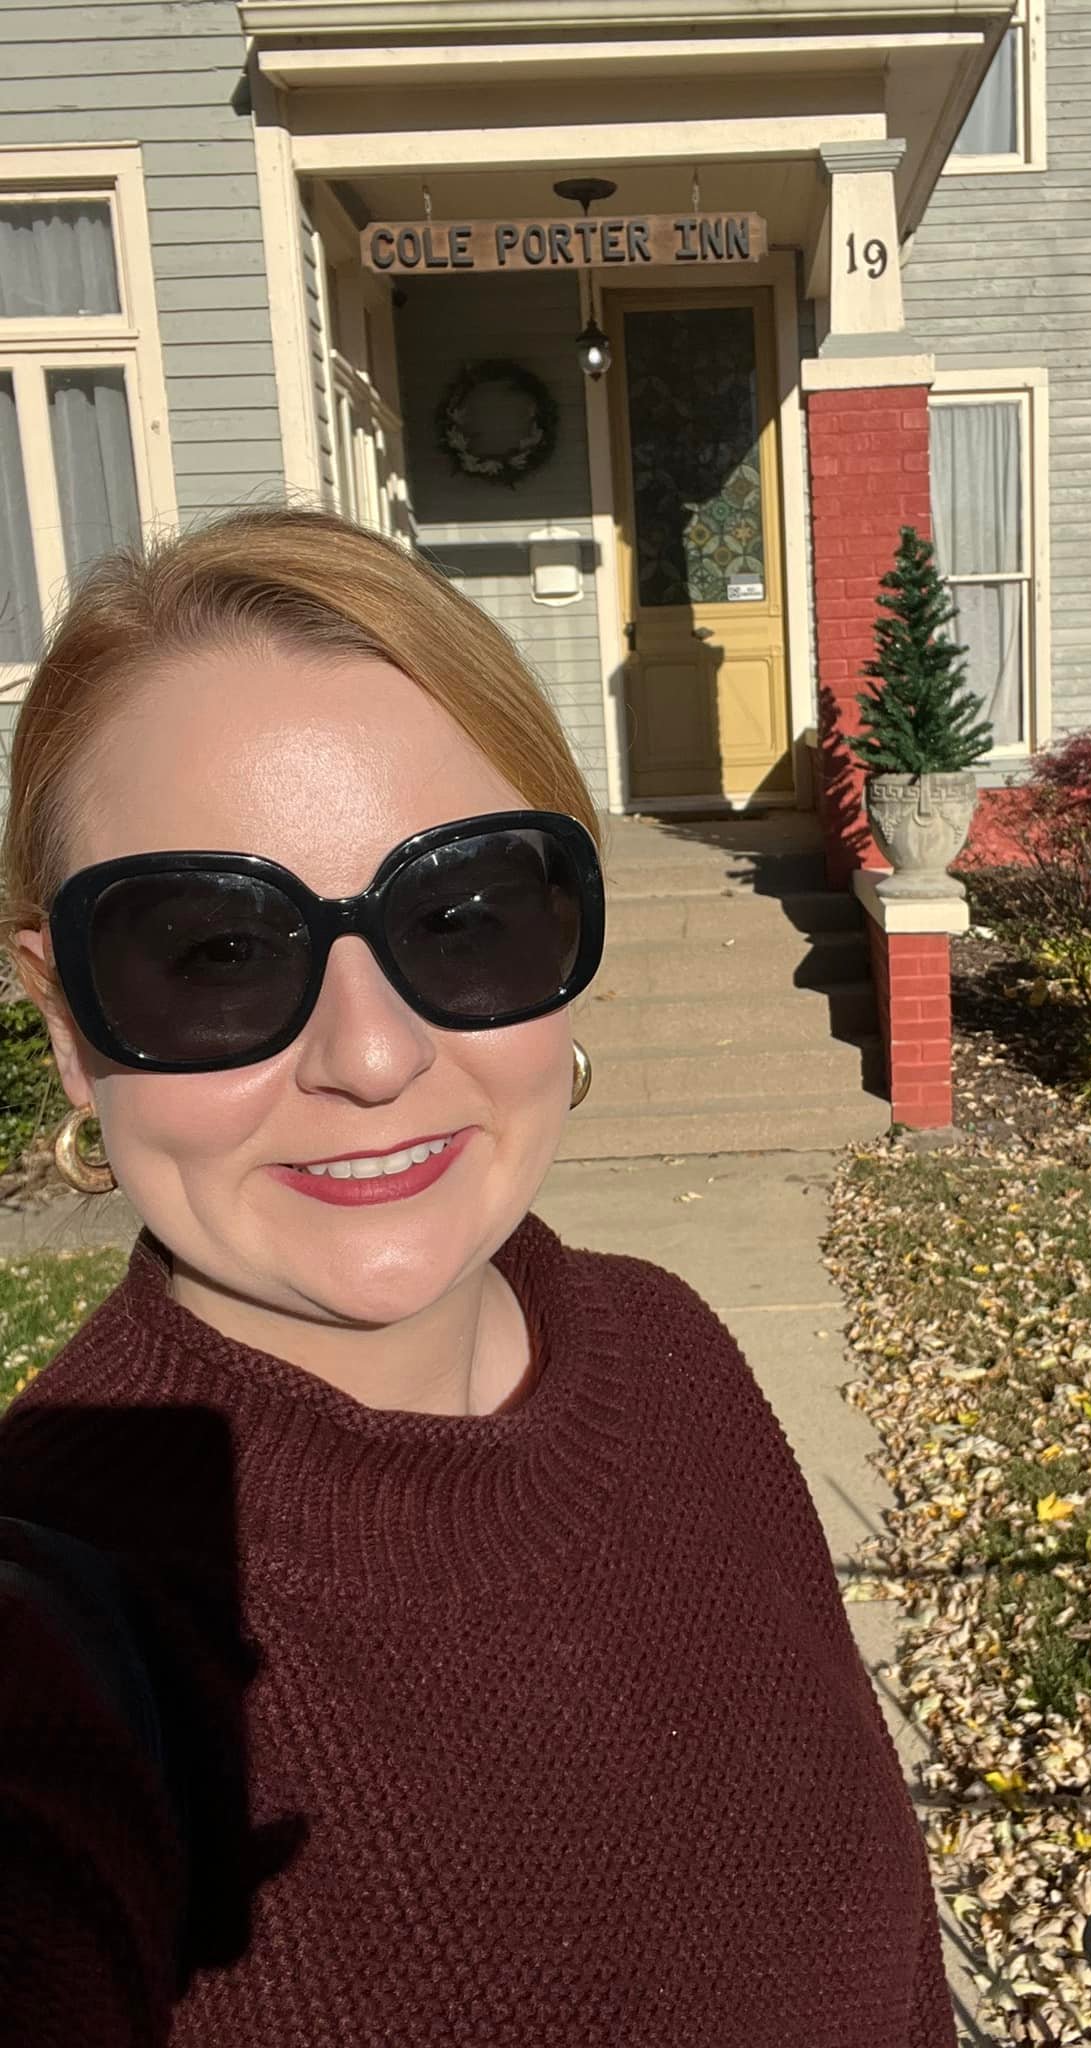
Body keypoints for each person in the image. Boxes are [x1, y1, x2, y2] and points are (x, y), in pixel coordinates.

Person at [0, 509, 955, 2047]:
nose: (375, 1057)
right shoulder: (68, 1624)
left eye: (459, 917)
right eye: (217, 954)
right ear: (65, 1019)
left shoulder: (669, 1352)